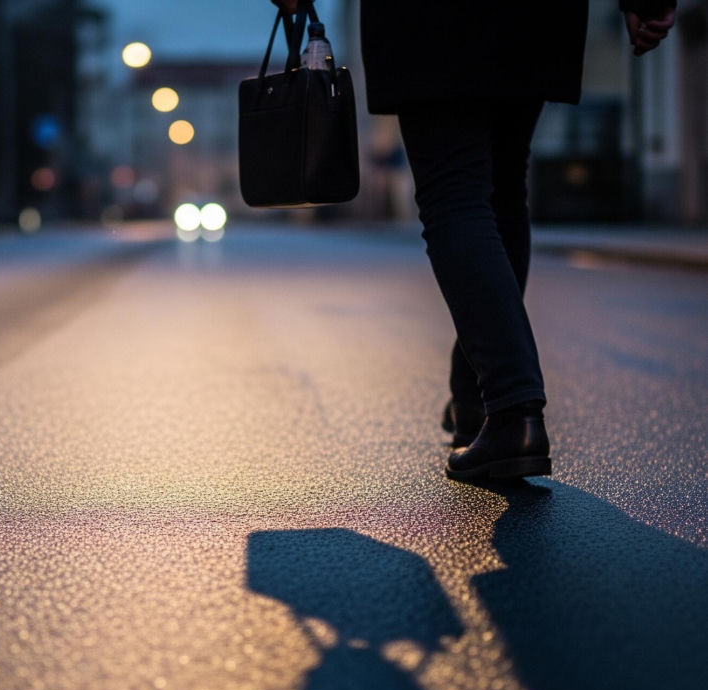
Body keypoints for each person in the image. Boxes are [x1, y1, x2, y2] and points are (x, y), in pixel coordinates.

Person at [271, 0, 677, 480]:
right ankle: (475, 400)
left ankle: (513, 410)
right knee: (502, 192)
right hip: (538, 19)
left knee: (455, 194)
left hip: (435, 22)